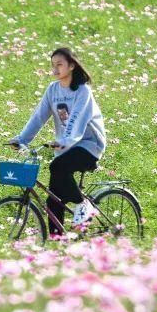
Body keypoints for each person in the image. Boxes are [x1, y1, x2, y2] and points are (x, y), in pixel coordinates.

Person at [9, 48, 106, 236]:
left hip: (88, 145)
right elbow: (39, 117)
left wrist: (65, 140)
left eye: (59, 64)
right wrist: (22, 140)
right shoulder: (53, 90)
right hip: (66, 147)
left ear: (71, 65)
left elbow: (77, 119)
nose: (55, 69)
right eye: (53, 65)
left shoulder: (82, 91)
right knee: (54, 200)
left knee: (57, 167)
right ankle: (56, 242)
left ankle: (83, 204)